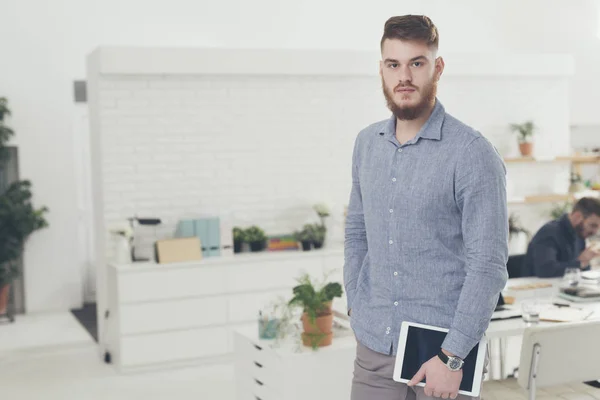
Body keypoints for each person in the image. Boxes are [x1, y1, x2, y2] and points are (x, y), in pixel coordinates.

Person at [344, 15, 508, 400]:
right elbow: (356, 232)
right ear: (382, 70)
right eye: (393, 64)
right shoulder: (367, 144)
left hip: (443, 359)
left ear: (437, 67)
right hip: (374, 351)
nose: (404, 76)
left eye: (417, 63)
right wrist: (355, 298)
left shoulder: (472, 153)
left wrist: (452, 356)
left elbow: (488, 264)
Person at [525, 197, 600, 278]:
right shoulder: (549, 232)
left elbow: (581, 269)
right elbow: (545, 270)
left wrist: (586, 261)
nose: (595, 232)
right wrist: (580, 262)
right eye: (593, 225)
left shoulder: (579, 234)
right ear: (577, 216)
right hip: (536, 287)